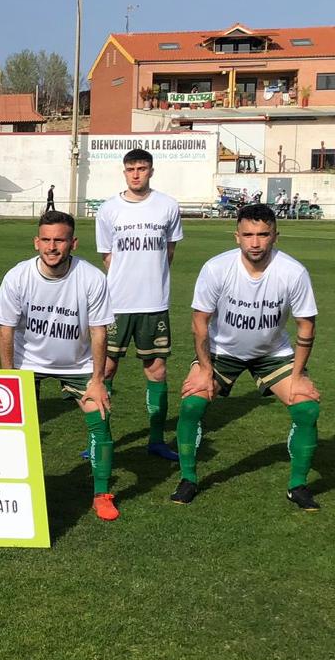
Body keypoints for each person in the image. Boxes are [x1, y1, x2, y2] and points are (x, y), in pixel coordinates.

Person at [171, 204, 321, 510]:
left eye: (263, 234)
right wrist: (202, 367)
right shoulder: (217, 268)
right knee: (192, 403)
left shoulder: (293, 272)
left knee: (306, 408)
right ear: (236, 236)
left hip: (272, 353)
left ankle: (298, 486)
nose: (255, 242)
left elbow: (307, 325)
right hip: (222, 352)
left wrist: (297, 376)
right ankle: (188, 478)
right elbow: (200, 321)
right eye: (249, 234)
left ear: (275, 236)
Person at [0, 210, 119, 521]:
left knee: (100, 418)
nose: (52, 247)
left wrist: (98, 379)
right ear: (36, 242)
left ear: (72, 243)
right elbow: (5, 329)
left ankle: (102, 494)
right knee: (16, 428)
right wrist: (9, 378)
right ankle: (15, 489)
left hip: (77, 363)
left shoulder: (91, 277)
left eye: (59, 240)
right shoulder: (18, 276)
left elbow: (98, 330)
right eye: (46, 240)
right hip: (27, 363)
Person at [94, 148, 184, 461]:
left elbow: (169, 252)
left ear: (151, 171)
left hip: (154, 303)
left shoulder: (168, 206)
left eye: (142, 168)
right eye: (131, 168)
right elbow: (108, 256)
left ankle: (157, 440)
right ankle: (99, 437)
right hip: (116, 303)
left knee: (157, 370)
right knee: (105, 369)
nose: (136, 174)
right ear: (124, 172)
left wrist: (151, 280)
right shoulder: (108, 209)